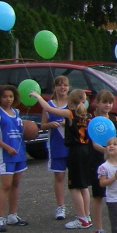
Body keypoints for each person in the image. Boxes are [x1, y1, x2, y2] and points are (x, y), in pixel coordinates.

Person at [37, 88, 91, 229]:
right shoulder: (88, 115)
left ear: (70, 102)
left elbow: (48, 108)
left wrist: (37, 96)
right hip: (86, 150)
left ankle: (82, 218)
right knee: (84, 186)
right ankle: (87, 215)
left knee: (74, 187)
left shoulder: (70, 114)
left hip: (75, 151)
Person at [86, 90, 116, 233]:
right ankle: (98, 230)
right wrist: (107, 152)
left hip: (113, 161)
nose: (108, 105)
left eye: (110, 102)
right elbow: (94, 143)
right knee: (98, 196)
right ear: (97, 102)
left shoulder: (112, 119)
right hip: (98, 161)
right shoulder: (93, 121)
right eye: (105, 102)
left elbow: (115, 140)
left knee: (116, 197)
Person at [41, 75, 70, 221]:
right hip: (56, 145)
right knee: (59, 176)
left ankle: (81, 209)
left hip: (72, 145)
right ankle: (60, 206)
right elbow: (43, 125)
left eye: (65, 85)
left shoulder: (72, 104)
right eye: (59, 85)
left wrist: (68, 123)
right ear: (54, 88)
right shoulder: (49, 105)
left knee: (77, 178)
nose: (62, 87)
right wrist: (50, 125)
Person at [0, 84, 27, 231]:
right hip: (5, 153)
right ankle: (0, 217)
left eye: (10, 96)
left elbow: (22, 132)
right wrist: (7, 147)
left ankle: (12, 215)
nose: (8, 99)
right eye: (4, 96)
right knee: (6, 185)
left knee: (16, 184)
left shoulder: (16, 112)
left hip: (19, 152)